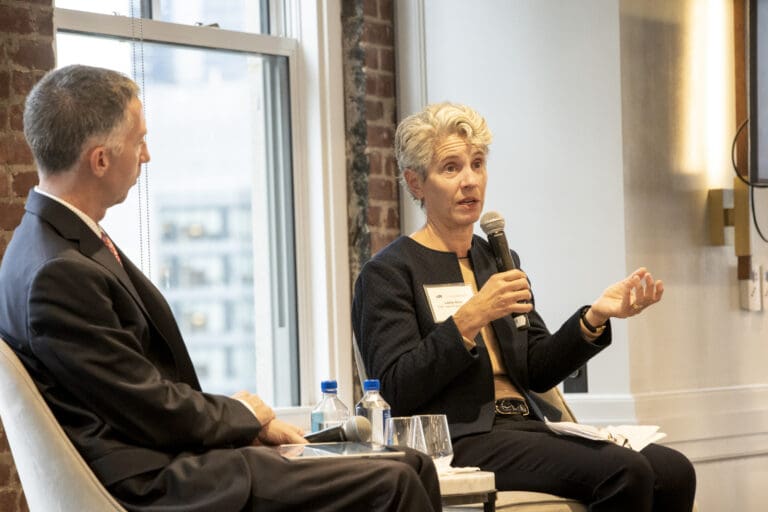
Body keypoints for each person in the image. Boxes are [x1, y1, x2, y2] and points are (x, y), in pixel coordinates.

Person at [0, 64, 442, 512]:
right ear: (100, 160)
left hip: (172, 460)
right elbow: (145, 405)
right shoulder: (58, 273)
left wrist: (245, 424)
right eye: (139, 141)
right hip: (154, 484)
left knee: (412, 463)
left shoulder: (49, 244)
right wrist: (244, 417)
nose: (146, 155)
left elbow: (134, 391)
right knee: (394, 481)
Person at [351, 102, 697, 511]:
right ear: (416, 183)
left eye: (477, 164)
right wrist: (470, 318)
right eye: (451, 168)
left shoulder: (496, 259)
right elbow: (394, 389)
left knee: (675, 471)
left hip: (526, 424)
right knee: (626, 471)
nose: (469, 181)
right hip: (460, 438)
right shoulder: (388, 272)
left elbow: (537, 368)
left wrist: (594, 317)